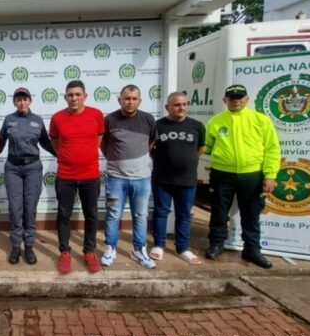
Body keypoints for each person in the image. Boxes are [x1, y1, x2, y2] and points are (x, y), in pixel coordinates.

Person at [204, 84, 280, 269]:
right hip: (222, 174)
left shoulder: (260, 120)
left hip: (252, 174)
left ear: (246, 99)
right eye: (232, 97)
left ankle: (252, 249)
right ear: (225, 100)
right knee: (219, 211)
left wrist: (270, 175)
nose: (236, 100)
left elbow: (272, 149)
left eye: (240, 97)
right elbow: (206, 146)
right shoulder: (216, 121)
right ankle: (216, 244)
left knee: (251, 213)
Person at [49, 80, 105, 274]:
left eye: (77, 94)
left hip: (91, 174)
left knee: (91, 215)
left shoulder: (96, 115)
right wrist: (67, 157)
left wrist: (85, 155)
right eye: (70, 95)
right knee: (64, 215)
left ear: (85, 96)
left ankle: (89, 252)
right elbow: (55, 142)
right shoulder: (57, 118)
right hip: (65, 175)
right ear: (65, 97)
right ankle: (65, 251)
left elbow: (98, 139)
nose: (74, 98)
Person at [101, 84, 158, 269]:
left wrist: (137, 159)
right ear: (120, 100)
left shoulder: (148, 119)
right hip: (116, 177)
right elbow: (103, 144)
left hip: (142, 178)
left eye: (134, 99)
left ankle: (139, 250)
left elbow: (151, 142)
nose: (130, 102)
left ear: (139, 101)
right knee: (113, 214)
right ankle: (110, 248)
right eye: (127, 98)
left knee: (140, 216)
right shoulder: (109, 120)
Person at [0, 87, 56, 265]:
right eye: (18, 99)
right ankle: (16, 246)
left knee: (30, 208)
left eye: (25, 99)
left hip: (33, 168)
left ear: (30, 101)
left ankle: (29, 246)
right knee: (15, 208)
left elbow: (46, 142)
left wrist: (63, 155)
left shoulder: (37, 121)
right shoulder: (9, 120)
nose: (22, 102)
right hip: (13, 168)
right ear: (14, 102)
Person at [150, 92, 205, 265]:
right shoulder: (157, 126)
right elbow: (151, 149)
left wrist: (185, 162)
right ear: (167, 107)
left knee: (184, 215)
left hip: (187, 180)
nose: (181, 108)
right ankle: (158, 244)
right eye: (176, 105)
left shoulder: (197, 126)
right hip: (162, 179)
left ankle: (183, 248)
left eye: (184, 104)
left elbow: (200, 148)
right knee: (160, 212)